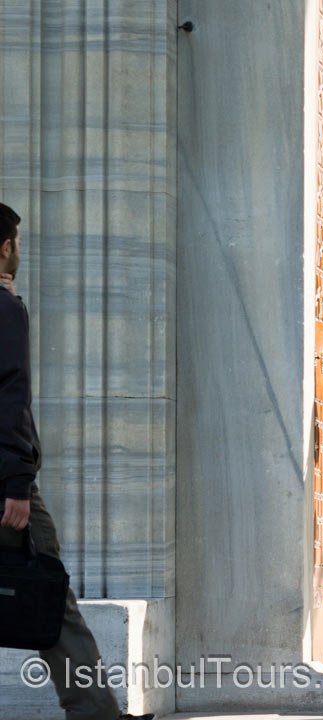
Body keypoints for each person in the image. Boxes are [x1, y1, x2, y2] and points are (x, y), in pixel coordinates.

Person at [0, 203, 153, 720]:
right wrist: (18, 482)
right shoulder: (4, 308)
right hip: (4, 485)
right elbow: (10, 396)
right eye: (16, 241)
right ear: (5, 247)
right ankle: (97, 715)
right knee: (52, 599)